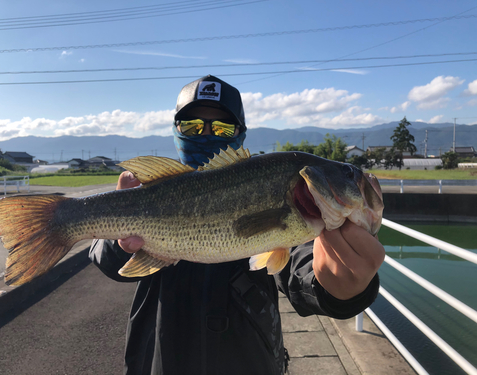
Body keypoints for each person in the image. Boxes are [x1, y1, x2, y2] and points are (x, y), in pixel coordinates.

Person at [89, 75, 385, 375]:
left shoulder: (286, 196)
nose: (206, 134)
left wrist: (342, 287)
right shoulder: (154, 189)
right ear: (176, 131)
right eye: (191, 126)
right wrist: (117, 241)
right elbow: (105, 257)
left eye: (222, 128)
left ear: (240, 134)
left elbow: (301, 263)